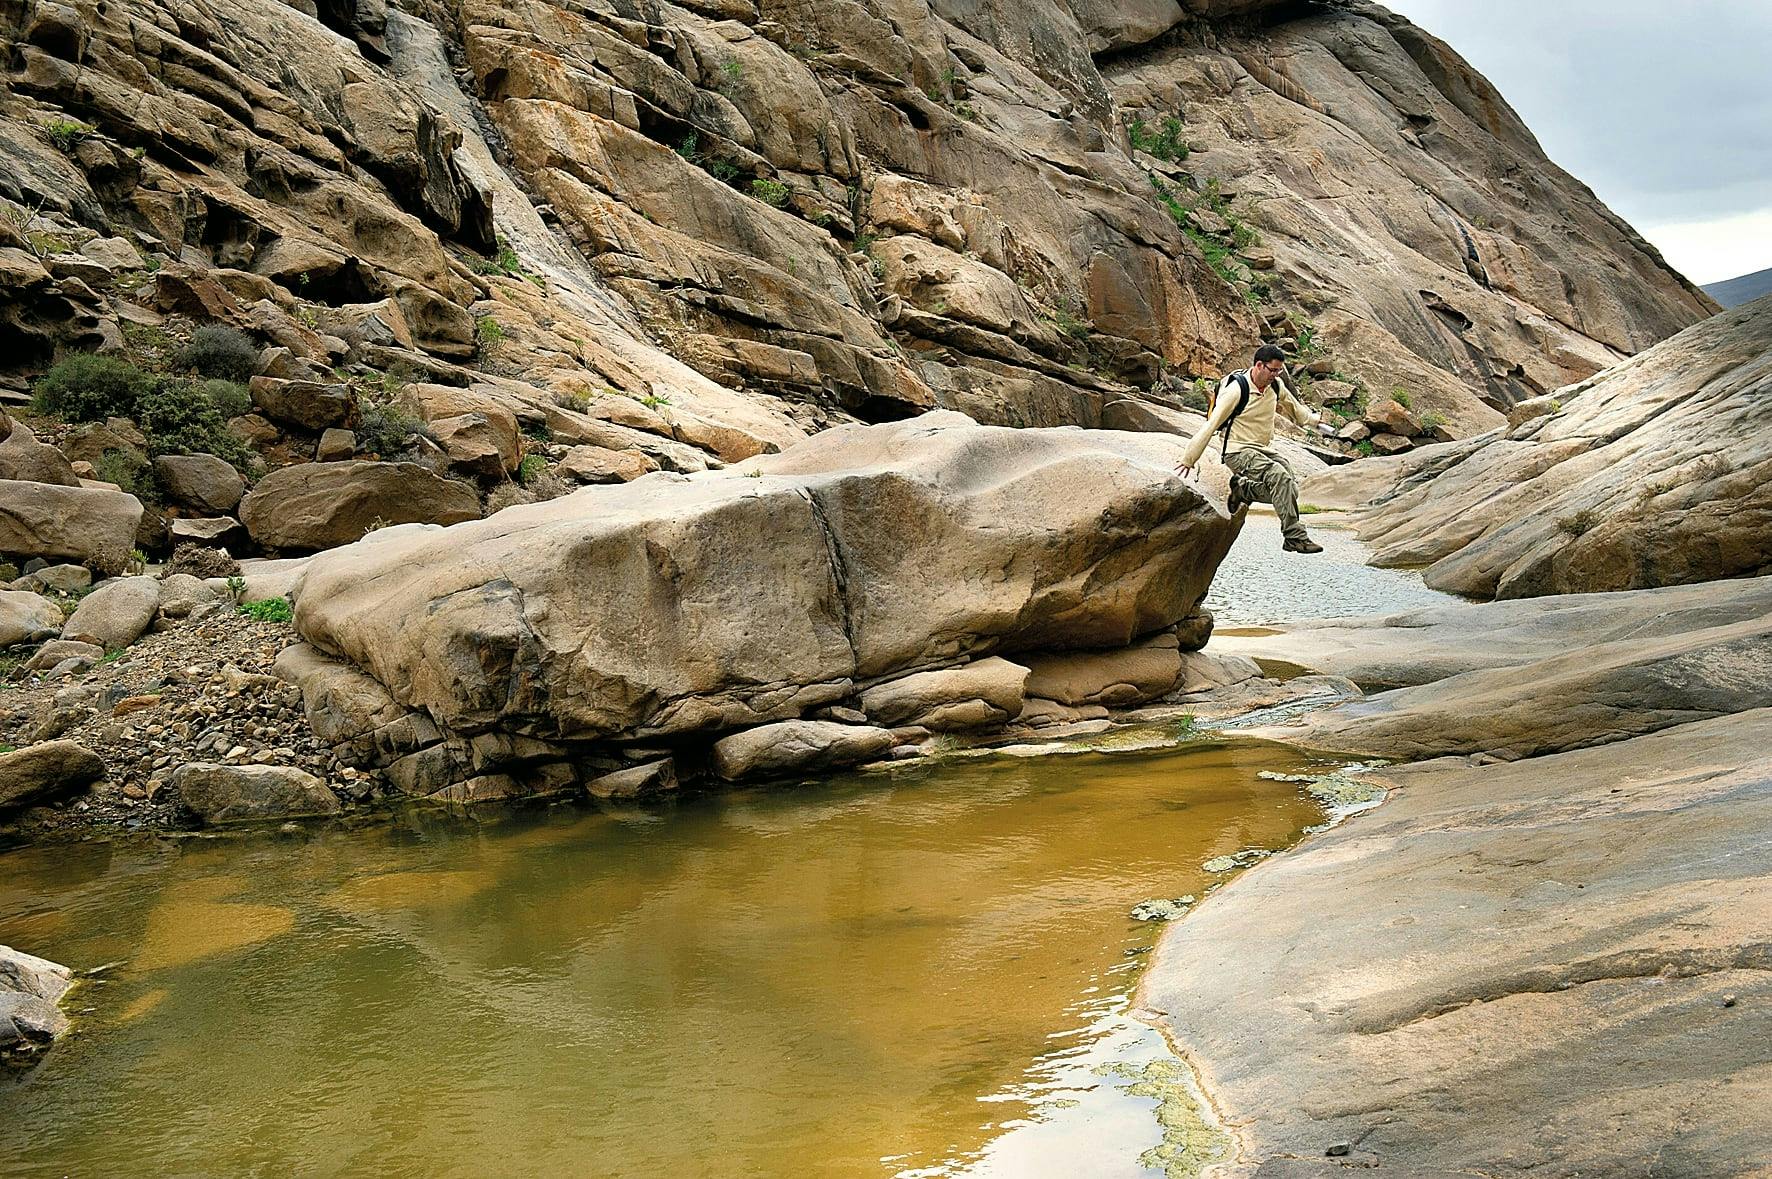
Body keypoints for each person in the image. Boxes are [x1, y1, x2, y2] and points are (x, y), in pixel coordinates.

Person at [1174, 344, 1325, 553]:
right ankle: (1294, 537)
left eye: (1279, 370)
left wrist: (1316, 421)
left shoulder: (1275, 386)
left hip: (1261, 449)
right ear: (1259, 365)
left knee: (1291, 490)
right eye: (1272, 370)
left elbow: (1296, 410)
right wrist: (1189, 458)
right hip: (1236, 451)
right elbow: (1211, 425)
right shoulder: (1236, 390)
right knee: (1279, 477)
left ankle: (1243, 490)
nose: (1276, 375)